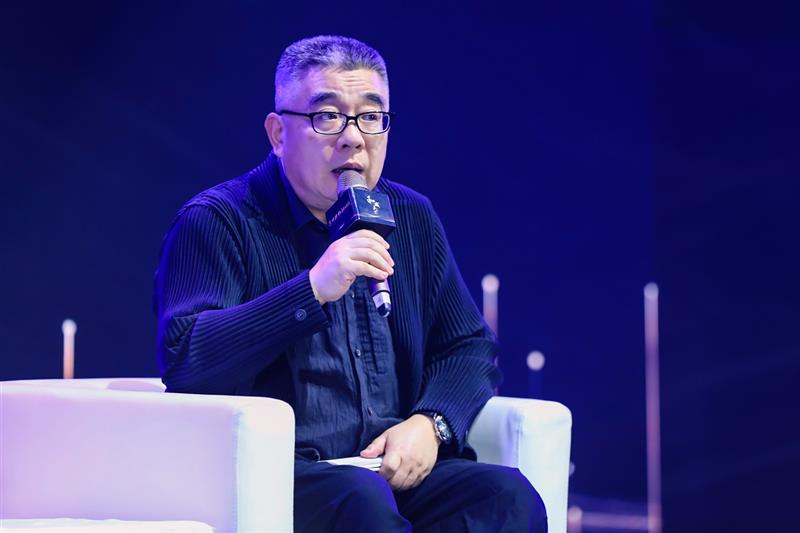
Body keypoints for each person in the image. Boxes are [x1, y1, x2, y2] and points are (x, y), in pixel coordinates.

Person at [154, 35, 547, 532]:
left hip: (388, 471)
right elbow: (186, 359)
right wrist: (311, 290)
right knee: (363, 502)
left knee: (507, 498)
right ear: (278, 133)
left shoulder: (410, 216)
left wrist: (431, 424)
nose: (353, 138)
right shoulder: (218, 220)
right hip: (284, 476)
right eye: (327, 117)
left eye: (371, 117)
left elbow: (468, 347)